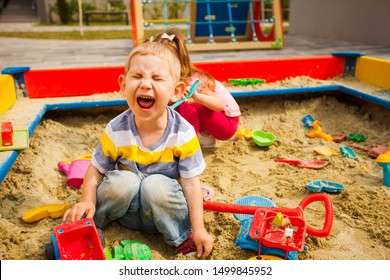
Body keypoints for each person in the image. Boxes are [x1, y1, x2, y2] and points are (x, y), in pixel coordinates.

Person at [63, 38, 214, 259]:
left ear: (176, 91)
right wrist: (87, 200)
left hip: (162, 216)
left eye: (156, 78)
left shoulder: (183, 133)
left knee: (155, 184)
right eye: (137, 76)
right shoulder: (116, 129)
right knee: (125, 181)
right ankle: (92, 226)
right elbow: (95, 170)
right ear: (124, 86)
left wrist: (198, 228)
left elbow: (191, 184)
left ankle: (181, 238)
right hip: (124, 213)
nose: (145, 84)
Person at [153, 29, 241, 148]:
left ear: (179, 61)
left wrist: (197, 97)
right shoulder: (166, 78)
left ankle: (190, 142)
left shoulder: (193, 80)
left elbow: (219, 105)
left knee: (185, 101)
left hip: (227, 123)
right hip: (212, 118)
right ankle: (203, 136)